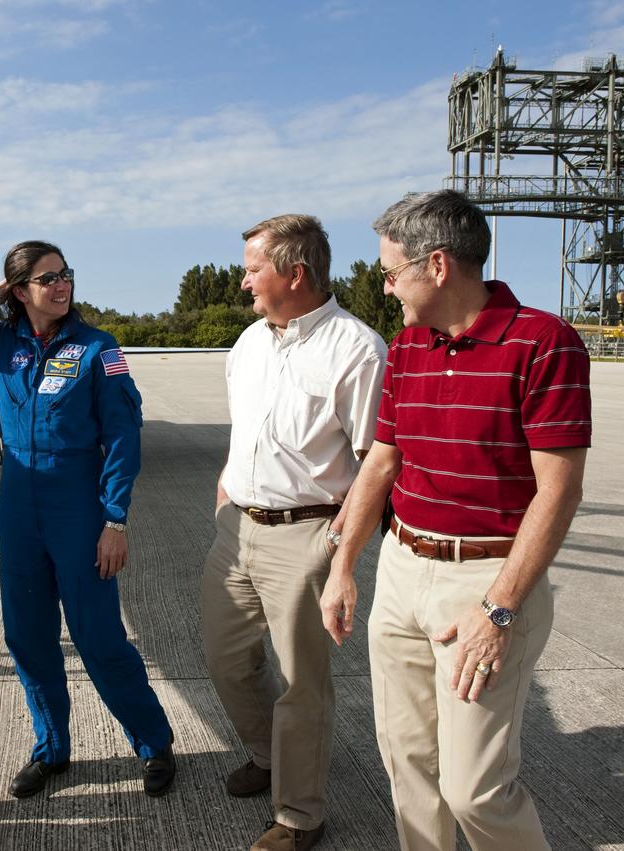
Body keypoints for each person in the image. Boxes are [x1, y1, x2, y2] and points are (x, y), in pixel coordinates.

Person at [321, 190, 591, 851]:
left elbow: (558, 492)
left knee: (476, 787)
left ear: (436, 265)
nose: (385, 287)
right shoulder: (408, 346)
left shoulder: (543, 343)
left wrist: (498, 610)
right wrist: (344, 564)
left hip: (485, 581)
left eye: (390, 272)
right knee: (408, 765)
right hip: (403, 568)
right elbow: (382, 464)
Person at [0, 240, 176, 799]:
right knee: (28, 636)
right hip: (20, 507)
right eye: (47, 278)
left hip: (77, 506)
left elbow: (123, 438)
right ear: (20, 289)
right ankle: (52, 749)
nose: (61, 286)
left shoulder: (98, 349)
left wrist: (115, 520)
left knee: (98, 636)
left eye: (65, 275)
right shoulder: (1, 342)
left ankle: (152, 742)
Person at [202, 215, 387, 851]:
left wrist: (341, 551)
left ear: (295, 273)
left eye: (255, 268)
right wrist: (230, 484)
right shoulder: (250, 342)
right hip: (237, 529)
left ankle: (300, 814)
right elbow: (244, 429)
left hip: (306, 535)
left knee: (303, 684)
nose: (244, 279)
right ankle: (268, 753)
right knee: (225, 660)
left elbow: (376, 460)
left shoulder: (356, 349)